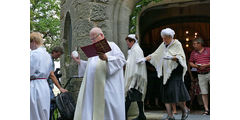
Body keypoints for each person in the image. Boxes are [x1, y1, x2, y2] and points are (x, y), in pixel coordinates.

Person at [72, 27, 126, 120]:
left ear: (101, 35)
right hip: (93, 90)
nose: (93, 41)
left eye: (94, 38)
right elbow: (91, 68)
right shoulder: (94, 50)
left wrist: (107, 58)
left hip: (108, 88)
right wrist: (80, 62)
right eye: (91, 39)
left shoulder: (112, 46)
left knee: (107, 112)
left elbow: (121, 60)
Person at [137, 28, 190, 120]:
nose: (164, 40)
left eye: (165, 38)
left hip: (175, 73)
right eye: (163, 38)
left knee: (175, 93)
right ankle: (170, 116)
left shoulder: (177, 44)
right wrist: (145, 59)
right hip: (165, 73)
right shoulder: (163, 44)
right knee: (166, 94)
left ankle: (184, 109)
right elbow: (155, 54)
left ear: (170, 37)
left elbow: (181, 57)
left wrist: (172, 57)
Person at [124, 34, 147, 120]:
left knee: (129, 97)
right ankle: (141, 115)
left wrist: (133, 78)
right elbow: (132, 62)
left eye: (128, 43)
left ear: (132, 41)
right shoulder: (133, 50)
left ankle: (124, 116)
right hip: (136, 76)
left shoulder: (137, 50)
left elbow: (138, 63)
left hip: (136, 77)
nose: (127, 44)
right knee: (137, 97)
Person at [30, 32, 53, 120]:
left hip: (34, 85)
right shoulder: (47, 55)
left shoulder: (33, 54)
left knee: (34, 112)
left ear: (34, 42)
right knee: (44, 111)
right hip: (44, 85)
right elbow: (49, 71)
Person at [189, 37, 210, 115]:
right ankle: (206, 110)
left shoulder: (209, 50)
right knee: (204, 92)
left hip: (210, 72)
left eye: (194, 44)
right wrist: (196, 66)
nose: (193, 45)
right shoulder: (193, 53)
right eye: (193, 44)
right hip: (200, 74)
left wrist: (207, 65)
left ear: (200, 43)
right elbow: (190, 62)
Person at [48, 46, 68, 120]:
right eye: (58, 55)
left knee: (53, 104)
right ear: (54, 52)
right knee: (51, 105)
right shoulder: (49, 60)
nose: (58, 57)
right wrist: (60, 88)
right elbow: (52, 75)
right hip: (46, 86)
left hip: (49, 86)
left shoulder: (51, 60)